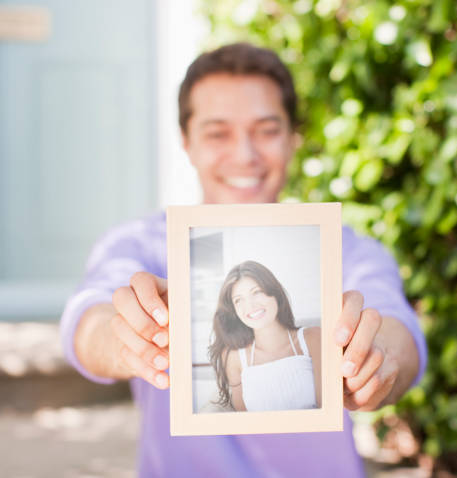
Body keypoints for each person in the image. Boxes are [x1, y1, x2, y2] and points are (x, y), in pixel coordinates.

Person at [60, 42, 427, 477]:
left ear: (293, 139)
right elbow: (88, 318)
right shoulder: (139, 245)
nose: (245, 155)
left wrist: (377, 356)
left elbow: (395, 327)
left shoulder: (345, 249)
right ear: (187, 142)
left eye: (267, 130)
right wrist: (127, 339)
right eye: (218, 133)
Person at [209, 260, 321, 412]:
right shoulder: (234, 358)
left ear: (274, 292)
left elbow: (329, 413)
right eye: (238, 300)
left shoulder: (313, 338)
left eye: (256, 292)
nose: (250, 306)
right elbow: (244, 426)